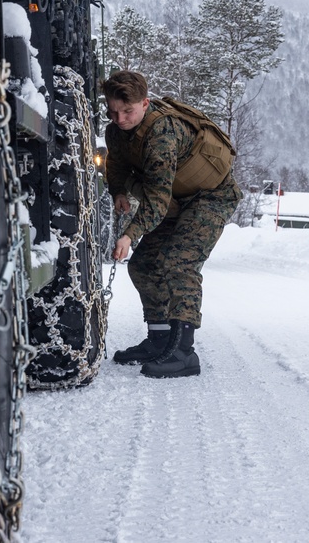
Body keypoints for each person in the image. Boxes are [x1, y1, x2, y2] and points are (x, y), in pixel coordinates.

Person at [102, 70, 242, 378]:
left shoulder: (161, 134)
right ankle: (160, 339)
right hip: (176, 201)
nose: (120, 118)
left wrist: (129, 235)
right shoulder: (116, 130)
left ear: (145, 103)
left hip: (210, 198)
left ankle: (184, 353)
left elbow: (156, 201)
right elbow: (116, 163)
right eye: (113, 111)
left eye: (128, 111)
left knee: (179, 263)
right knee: (144, 266)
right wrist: (119, 191)